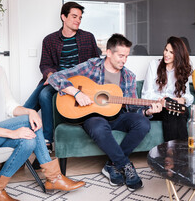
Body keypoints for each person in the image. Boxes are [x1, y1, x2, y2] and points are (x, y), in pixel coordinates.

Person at [0, 25, 86, 201]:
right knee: (27, 125)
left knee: (28, 142)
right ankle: (54, 177)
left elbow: (10, 106)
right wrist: (13, 131)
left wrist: (29, 112)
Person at [48, 33, 162, 192]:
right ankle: (125, 165)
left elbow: (133, 107)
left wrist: (149, 110)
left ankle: (112, 165)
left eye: (126, 56)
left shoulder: (128, 76)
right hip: (93, 117)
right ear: (109, 52)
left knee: (143, 122)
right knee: (98, 126)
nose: (124, 60)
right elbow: (56, 77)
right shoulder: (91, 66)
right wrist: (76, 93)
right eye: (121, 55)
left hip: (117, 116)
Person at [24, 1, 100, 158]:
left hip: (80, 82)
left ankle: (42, 137)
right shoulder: (50, 40)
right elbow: (45, 65)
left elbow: (96, 63)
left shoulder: (88, 37)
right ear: (63, 17)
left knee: (42, 95)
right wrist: (51, 76)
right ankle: (41, 138)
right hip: (58, 79)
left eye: (80, 17)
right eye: (74, 16)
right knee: (44, 93)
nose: (78, 20)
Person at [141, 36, 193, 141]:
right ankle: (178, 153)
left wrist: (183, 99)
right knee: (173, 110)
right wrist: (164, 100)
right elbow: (146, 94)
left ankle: (173, 153)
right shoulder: (154, 65)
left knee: (178, 111)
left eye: (171, 52)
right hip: (156, 108)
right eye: (166, 50)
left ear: (178, 55)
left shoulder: (182, 71)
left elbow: (188, 96)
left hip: (174, 108)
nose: (166, 54)